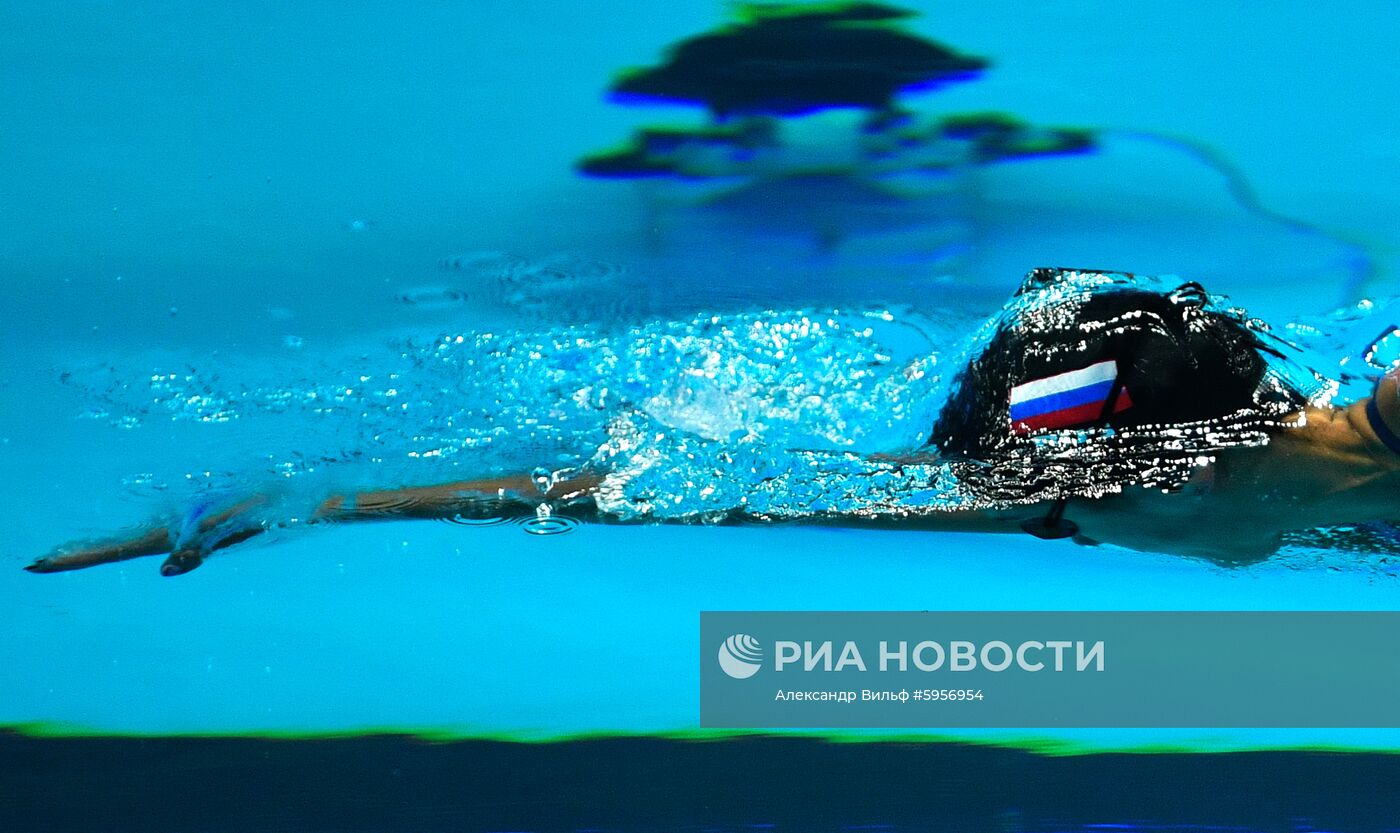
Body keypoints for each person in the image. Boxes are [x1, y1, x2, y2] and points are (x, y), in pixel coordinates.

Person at [25, 268, 1400, 577]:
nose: (971, 489)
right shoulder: (1070, 480)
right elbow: (656, 486)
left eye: (1013, 464)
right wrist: (302, 502)